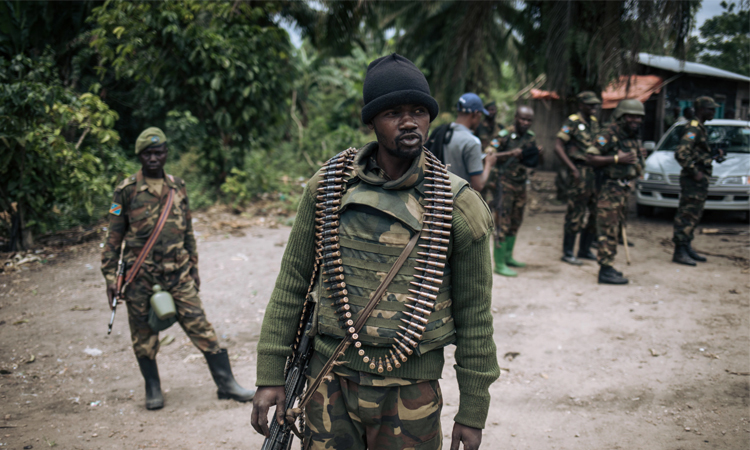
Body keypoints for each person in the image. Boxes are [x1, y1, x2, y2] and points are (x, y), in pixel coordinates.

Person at [251, 53, 499, 450]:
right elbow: (292, 284)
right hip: (327, 380)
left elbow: (475, 317)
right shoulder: (329, 186)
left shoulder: (459, 205)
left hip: (410, 392)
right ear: (371, 121)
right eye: (393, 113)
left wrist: (473, 411)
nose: (409, 122)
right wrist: (270, 374)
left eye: (419, 111)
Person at [101, 127, 255, 410]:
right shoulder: (125, 191)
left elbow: (188, 233)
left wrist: (194, 267)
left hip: (178, 273)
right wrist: (111, 277)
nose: (153, 158)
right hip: (139, 276)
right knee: (144, 336)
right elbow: (112, 238)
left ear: (166, 154)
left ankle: (227, 385)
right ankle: (153, 387)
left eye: (158, 152)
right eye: (148, 153)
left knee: (201, 327)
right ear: (140, 156)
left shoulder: (178, 187)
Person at [586, 99, 645, 284]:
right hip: (609, 189)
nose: (635, 120)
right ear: (621, 116)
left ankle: (609, 265)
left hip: (623, 189)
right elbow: (590, 156)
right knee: (607, 229)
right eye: (631, 116)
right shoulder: (609, 133)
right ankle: (605, 270)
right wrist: (617, 159)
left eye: (638, 117)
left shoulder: (632, 135)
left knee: (616, 230)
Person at [482, 106, 540, 277]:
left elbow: (532, 160)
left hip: (520, 184)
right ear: (515, 118)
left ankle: (508, 257)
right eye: (522, 119)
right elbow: (488, 154)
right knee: (502, 222)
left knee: (516, 219)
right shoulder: (504, 135)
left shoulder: (530, 137)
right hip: (503, 184)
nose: (525, 123)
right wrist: (510, 153)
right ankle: (499, 263)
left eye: (529, 120)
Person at [672, 96, 721, 265]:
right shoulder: (693, 129)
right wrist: (694, 172)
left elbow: (697, 153)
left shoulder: (700, 128)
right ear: (701, 110)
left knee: (694, 214)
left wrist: (714, 155)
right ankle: (679, 250)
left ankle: (686, 246)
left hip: (699, 179)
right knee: (687, 213)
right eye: (710, 109)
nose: (713, 112)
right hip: (693, 180)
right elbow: (681, 153)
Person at [554, 91, 601, 265]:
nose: (594, 107)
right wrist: (572, 169)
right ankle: (568, 252)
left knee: (595, 211)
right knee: (576, 212)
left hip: (594, 173)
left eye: (595, 104)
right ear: (581, 105)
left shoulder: (594, 123)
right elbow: (558, 146)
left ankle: (584, 249)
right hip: (579, 171)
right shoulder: (572, 122)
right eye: (590, 104)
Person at [443, 92, 496, 192]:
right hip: (459, 200)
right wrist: (489, 163)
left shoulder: (444, 132)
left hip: (439, 195)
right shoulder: (472, 142)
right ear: (476, 114)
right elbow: (478, 185)